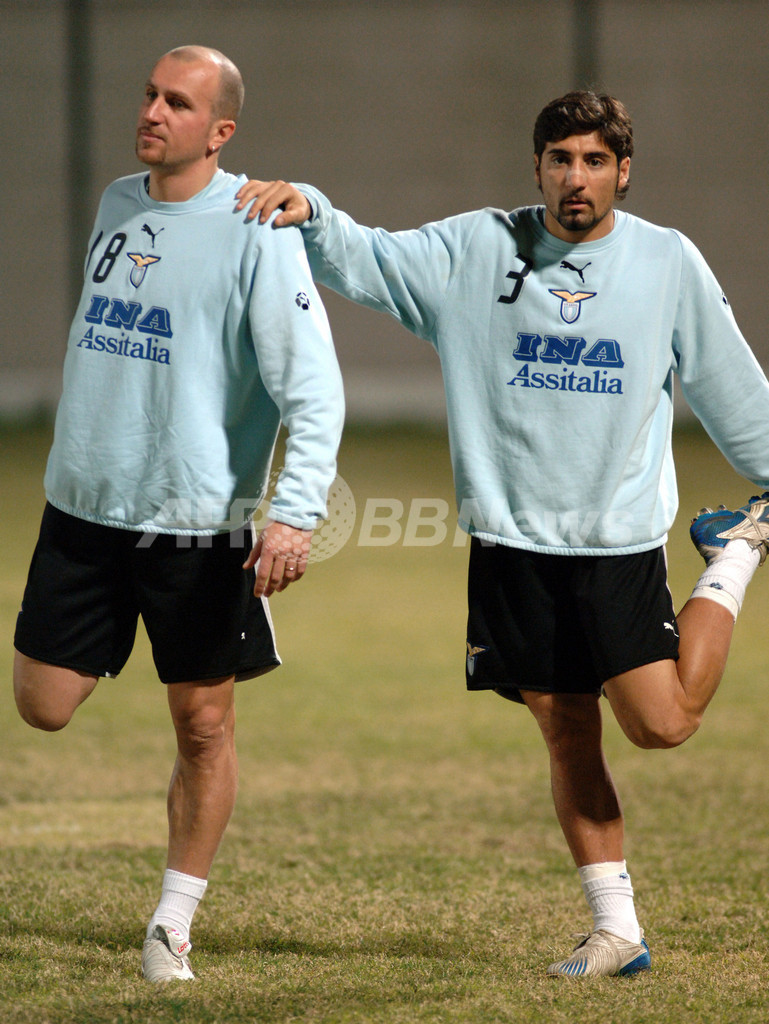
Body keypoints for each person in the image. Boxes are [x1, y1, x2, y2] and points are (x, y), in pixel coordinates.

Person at [235, 91, 769, 977]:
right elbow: (370, 258)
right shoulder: (476, 249)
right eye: (560, 159)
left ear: (623, 172)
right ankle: (616, 930)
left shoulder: (665, 261)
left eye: (593, 161)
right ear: (537, 167)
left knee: (662, 723)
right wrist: (313, 211)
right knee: (567, 735)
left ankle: (734, 552)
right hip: (512, 548)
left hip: (612, 544)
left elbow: (730, 386)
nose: (575, 178)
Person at [13, 45, 344, 983]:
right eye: (150, 95)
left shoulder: (255, 228)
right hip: (84, 506)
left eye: (178, 103)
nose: (153, 112)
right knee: (42, 705)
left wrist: (292, 515)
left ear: (221, 130)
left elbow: (314, 391)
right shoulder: (118, 202)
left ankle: (172, 922)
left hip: (195, 523)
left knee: (201, 724)